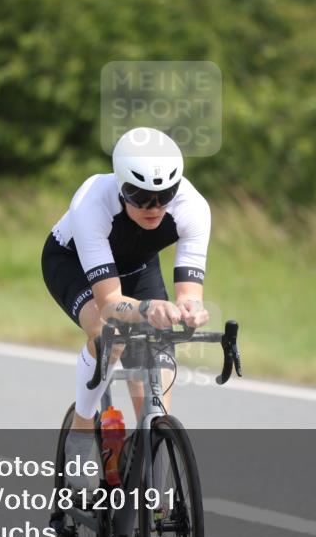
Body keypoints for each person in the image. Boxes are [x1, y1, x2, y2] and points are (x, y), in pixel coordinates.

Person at [41, 127, 211, 488]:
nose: (154, 208)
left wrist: (191, 309)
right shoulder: (92, 203)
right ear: (120, 187)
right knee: (110, 335)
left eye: (165, 195)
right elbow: (109, 304)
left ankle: (152, 447)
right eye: (140, 196)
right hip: (72, 264)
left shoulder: (193, 207)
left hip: (138, 267)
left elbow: (188, 293)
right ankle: (83, 430)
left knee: (155, 352)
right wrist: (149, 309)